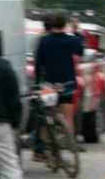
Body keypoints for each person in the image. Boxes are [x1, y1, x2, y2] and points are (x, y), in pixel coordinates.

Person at [0, 40, 40, 179]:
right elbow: (14, 100)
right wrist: (15, 124)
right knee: (9, 169)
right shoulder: (4, 67)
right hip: (1, 125)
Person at [35, 9, 84, 155]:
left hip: (49, 85)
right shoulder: (72, 40)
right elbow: (80, 51)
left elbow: (39, 64)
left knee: (47, 115)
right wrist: (76, 31)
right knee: (68, 116)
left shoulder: (45, 40)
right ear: (65, 24)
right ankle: (70, 144)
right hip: (67, 84)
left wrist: (38, 83)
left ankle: (46, 145)